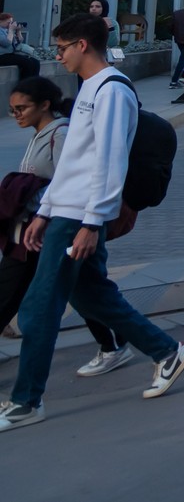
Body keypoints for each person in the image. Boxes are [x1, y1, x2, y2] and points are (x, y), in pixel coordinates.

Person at [0, 14, 184, 433]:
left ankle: (25, 402)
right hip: (67, 212)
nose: (58, 56)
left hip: (79, 218)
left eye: (62, 48)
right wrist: (46, 209)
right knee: (94, 298)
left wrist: (92, 223)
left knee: (38, 310)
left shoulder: (111, 91)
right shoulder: (90, 87)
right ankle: (168, 352)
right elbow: (72, 162)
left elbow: (111, 161)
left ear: (83, 45)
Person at [1, 76, 131, 377]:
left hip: (49, 232)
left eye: (22, 108)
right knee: (80, 291)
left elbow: (70, 182)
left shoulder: (60, 134)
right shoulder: (40, 133)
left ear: (45, 105)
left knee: (81, 291)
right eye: (13, 110)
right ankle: (119, 344)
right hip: (34, 232)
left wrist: (42, 210)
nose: (17, 115)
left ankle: (132, 345)